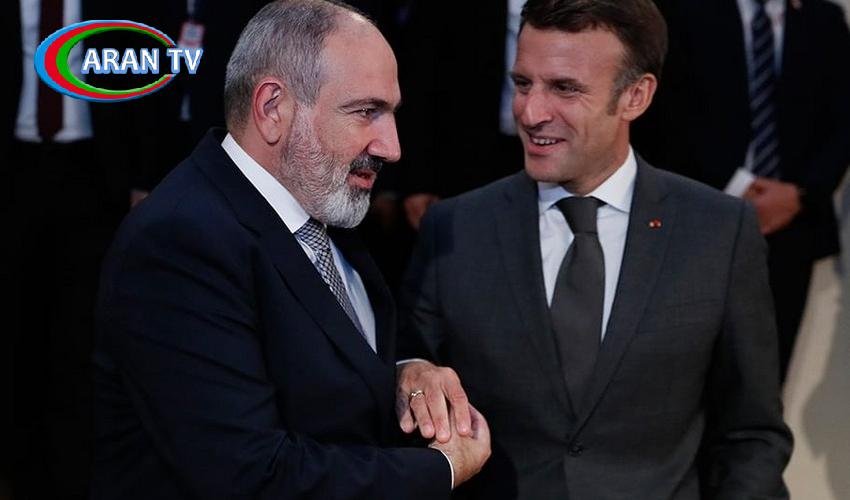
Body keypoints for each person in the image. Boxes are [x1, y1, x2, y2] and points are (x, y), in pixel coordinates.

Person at [91, 1, 490, 498]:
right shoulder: (178, 242)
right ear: (273, 108)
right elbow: (251, 475)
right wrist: (441, 469)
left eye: (391, 114)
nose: (392, 147)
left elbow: (319, 363)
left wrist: (404, 372)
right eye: (366, 112)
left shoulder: (321, 199)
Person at [396, 0, 792, 498]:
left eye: (565, 88)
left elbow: (751, 434)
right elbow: (405, 375)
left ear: (635, 97)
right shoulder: (454, 228)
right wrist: (407, 375)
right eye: (523, 83)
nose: (531, 112)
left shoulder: (719, 231)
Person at [633, 0, 850, 383]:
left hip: (790, 227)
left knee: (766, 378)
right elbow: (665, 116)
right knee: (683, 375)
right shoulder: (681, 13)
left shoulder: (824, 20)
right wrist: (738, 187)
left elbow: (842, 121)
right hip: (694, 221)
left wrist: (800, 194)